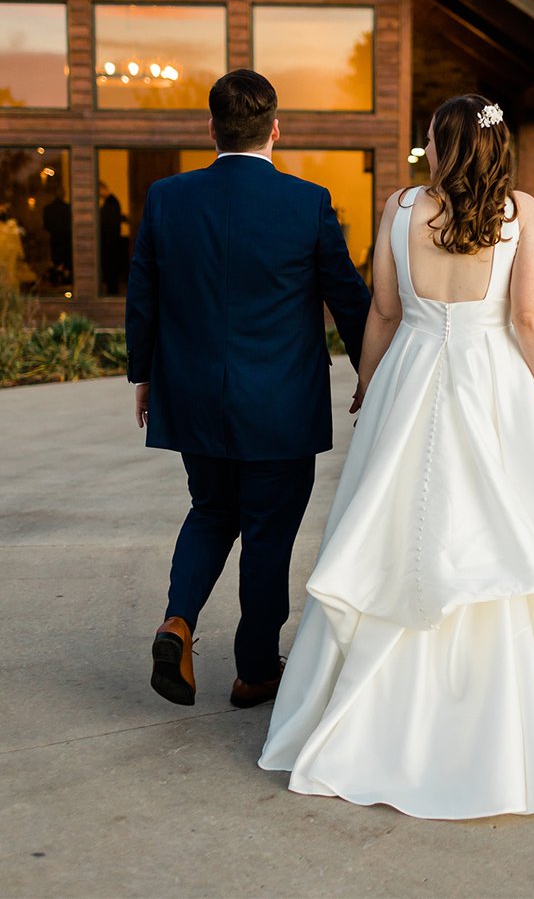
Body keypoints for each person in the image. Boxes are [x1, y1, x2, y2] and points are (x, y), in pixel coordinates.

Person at [258, 94, 534, 818]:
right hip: (492, 382)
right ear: (498, 146)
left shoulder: (401, 207)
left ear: (439, 146)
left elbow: (381, 310)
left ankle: (367, 712)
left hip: (409, 377)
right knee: (493, 538)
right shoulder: (520, 212)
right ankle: (489, 723)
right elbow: (528, 317)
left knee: (392, 534)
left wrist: (369, 387)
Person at [126, 70, 370, 710]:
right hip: (281, 405)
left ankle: (177, 621)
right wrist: (374, 374)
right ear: (275, 130)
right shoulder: (308, 202)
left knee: (211, 510)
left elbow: (143, 296)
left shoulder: (166, 198)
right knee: (267, 536)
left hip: (194, 396)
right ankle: (256, 670)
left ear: (211, 129)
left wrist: (143, 375)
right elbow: (346, 298)